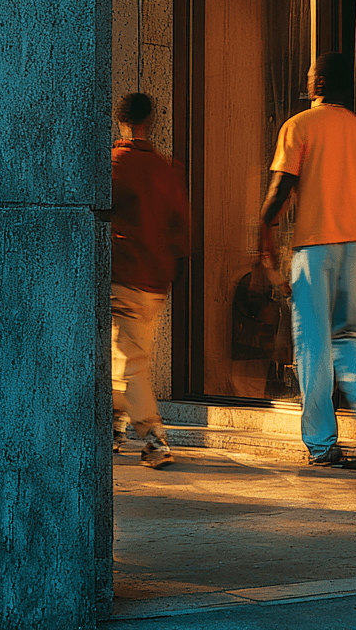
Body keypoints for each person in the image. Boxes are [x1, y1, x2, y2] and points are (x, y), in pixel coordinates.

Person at [259, 52, 356, 466]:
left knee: (312, 345)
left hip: (313, 250)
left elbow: (281, 189)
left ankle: (321, 443)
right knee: (348, 336)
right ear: (346, 88)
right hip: (355, 248)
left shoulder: (298, 126)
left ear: (314, 84)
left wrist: (263, 230)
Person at [111, 93, 191, 468]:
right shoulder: (168, 169)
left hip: (123, 275)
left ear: (119, 121)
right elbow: (183, 232)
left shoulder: (114, 164)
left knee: (131, 360)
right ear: (151, 122)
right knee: (125, 352)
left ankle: (154, 436)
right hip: (155, 282)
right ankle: (114, 424)